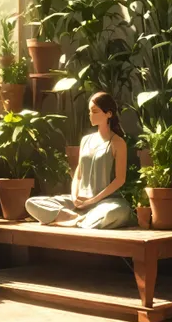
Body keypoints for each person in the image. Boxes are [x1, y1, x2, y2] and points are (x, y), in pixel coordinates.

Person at [25, 91, 132, 229]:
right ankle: (77, 219)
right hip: (79, 202)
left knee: (118, 212)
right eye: (89, 111)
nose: (90, 115)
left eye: (95, 111)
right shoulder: (85, 140)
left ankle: (74, 220)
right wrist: (75, 197)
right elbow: (78, 173)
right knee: (31, 203)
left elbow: (120, 180)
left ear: (109, 114)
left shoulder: (118, 143)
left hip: (104, 202)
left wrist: (93, 200)